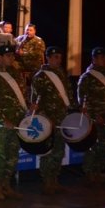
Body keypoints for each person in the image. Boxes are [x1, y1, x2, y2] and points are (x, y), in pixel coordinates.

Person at [0, 44, 28, 200]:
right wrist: (3, 119)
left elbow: (23, 95)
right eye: (7, 56)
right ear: (0, 57)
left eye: (12, 56)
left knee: (13, 155)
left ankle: (7, 185)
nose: (11, 58)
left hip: (17, 121)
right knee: (0, 155)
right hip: (2, 123)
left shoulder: (16, 75)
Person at [31, 46, 77, 194]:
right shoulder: (41, 76)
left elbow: (69, 96)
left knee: (59, 150)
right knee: (49, 151)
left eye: (59, 57)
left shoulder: (62, 74)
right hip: (49, 119)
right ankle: (47, 182)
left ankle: (55, 180)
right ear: (48, 58)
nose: (58, 60)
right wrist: (44, 118)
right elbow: (35, 101)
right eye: (55, 57)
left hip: (62, 118)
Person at [77, 47, 105, 186]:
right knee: (94, 147)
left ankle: (97, 173)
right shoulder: (87, 76)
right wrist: (94, 116)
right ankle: (90, 174)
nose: (103, 60)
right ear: (94, 59)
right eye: (100, 57)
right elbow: (82, 100)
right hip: (96, 119)